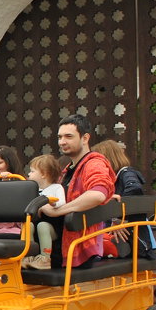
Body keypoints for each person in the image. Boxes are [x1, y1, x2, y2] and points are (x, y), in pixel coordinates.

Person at [37, 114, 116, 268]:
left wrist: (57, 211)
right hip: (62, 242)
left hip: (80, 247)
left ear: (85, 138)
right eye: (59, 137)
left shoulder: (94, 163)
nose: (62, 142)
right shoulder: (68, 170)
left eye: (68, 136)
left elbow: (97, 194)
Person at [91, 139, 156, 258]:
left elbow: (135, 189)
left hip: (134, 238)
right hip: (125, 235)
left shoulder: (126, 173)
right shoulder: (114, 178)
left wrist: (118, 219)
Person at [22, 154, 66, 269]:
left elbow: (62, 203)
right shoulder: (32, 189)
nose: (29, 174)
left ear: (43, 174)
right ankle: (29, 256)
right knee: (28, 226)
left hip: (52, 225)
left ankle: (45, 258)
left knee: (42, 226)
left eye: (32, 171)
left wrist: (50, 203)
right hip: (35, 222)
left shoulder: (56, 188)